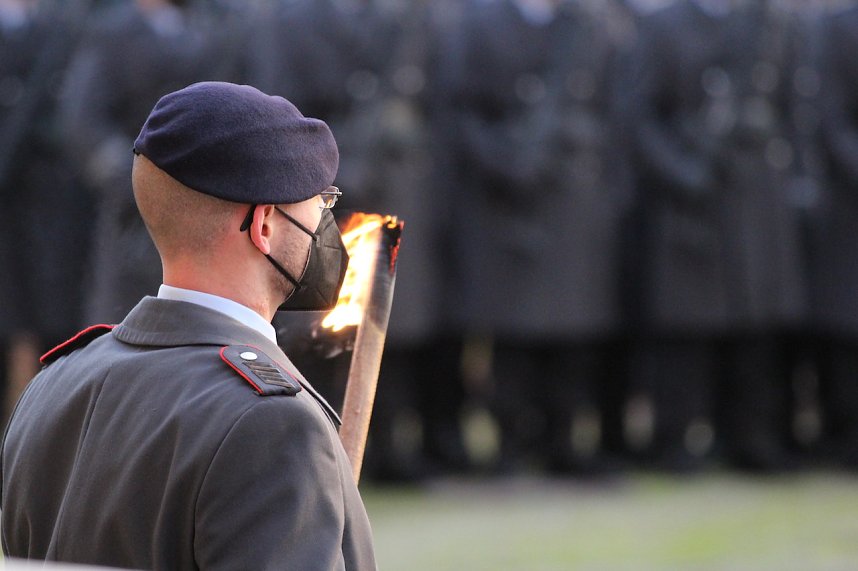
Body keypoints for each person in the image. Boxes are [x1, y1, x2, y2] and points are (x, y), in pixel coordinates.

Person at [1, 82, 376, 570]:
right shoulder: (273, 425)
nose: (326, 222)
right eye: (319, 204)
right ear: (264, 226)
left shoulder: (51, 385)